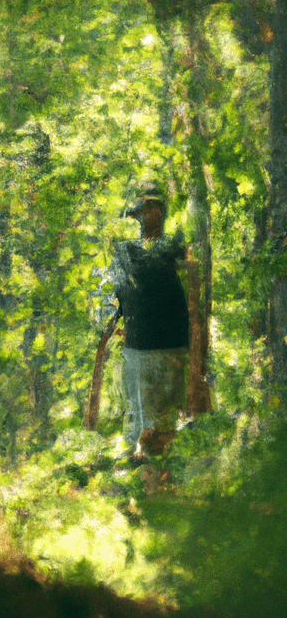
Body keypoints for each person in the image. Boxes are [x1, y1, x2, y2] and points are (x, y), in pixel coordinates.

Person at [108, 182, 190, 459]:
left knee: (169, 409)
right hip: (138, 341)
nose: (151, 214)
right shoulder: (125, 251)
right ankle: (140, 459)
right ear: (138, 214)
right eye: (146, 209)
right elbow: (114, 293)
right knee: (140, 410)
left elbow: (192, 288)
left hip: (173, 340)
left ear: (163, 212)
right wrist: (115, 322)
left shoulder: (176, 248)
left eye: (156, 208)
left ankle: (167, 462)